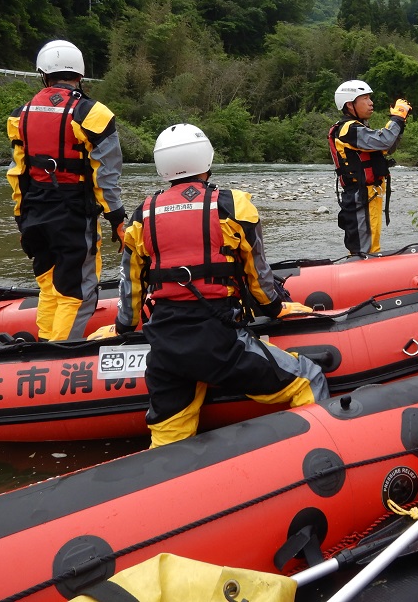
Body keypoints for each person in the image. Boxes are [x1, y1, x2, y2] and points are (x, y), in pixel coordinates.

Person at [114, 123, 329, 448]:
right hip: (222, 343)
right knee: (308, 378)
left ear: (162, 166)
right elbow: (258, 276)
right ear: (207, 159)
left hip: (166, 350)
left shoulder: (141, 215)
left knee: (166, 442)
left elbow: (130, 283)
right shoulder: (233, 206)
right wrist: (274, 309)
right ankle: (317, 456)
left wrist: (123, 327)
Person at [7, 39, 125, 341]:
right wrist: (118, 220)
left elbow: (18, 173)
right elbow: (105, 178)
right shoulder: (93, 115)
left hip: (33, 213)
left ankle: (46, 343)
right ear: (80, 75)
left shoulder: (20, 115)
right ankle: (58, 354)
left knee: (49, 286)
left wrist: (22, 219)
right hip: (73, 216)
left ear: (43, 74)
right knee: (78, 292)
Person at [328, 80, 411, 254]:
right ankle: (359, 274)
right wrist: (396, 118)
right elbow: (384, 140)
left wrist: (400, 124)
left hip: (370, 194)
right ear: (350, 105)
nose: (371, 102)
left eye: (369, 98)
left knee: (372, 243)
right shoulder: (348, 129)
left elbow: (387, 147)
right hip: (360, 195)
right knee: (363, 247)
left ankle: (371, 273)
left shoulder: (360, 127)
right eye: (365, 98)